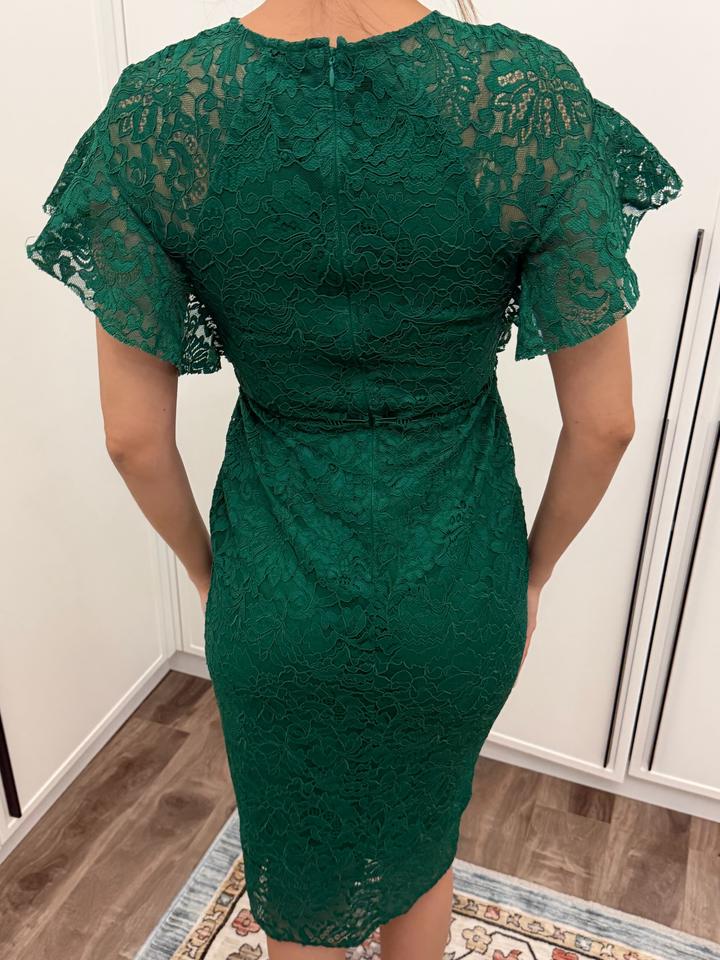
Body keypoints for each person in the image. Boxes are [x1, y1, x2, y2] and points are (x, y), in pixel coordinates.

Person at [24, 1, 683, 957]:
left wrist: (214, 577)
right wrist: (530, 576)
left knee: (300, 866)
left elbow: (132, 439)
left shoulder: (158, 111)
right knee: (423, 833)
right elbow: (607, 424)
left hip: (275, 581)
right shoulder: (526, 96)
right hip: (461, 579)